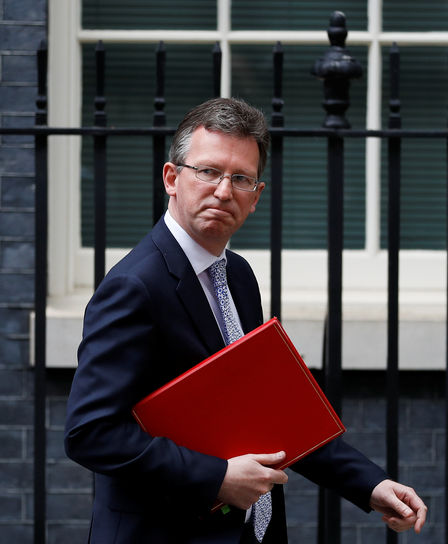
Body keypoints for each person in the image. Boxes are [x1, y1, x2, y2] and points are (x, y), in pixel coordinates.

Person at [64, 97, 427, 544]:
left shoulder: (237, 275)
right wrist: (216, 476)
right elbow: (90, 432)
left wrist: (369, 485)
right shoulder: (134, 286)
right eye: (209, 171)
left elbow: (270, 412)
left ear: (256, 197)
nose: (223, 190)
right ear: (172, 178)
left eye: (241, 179)